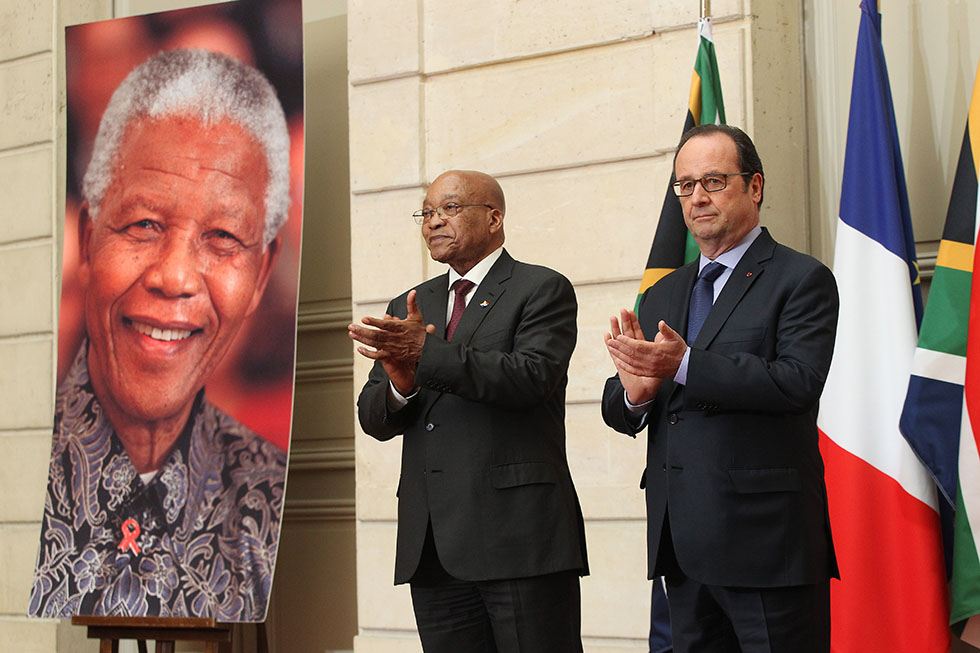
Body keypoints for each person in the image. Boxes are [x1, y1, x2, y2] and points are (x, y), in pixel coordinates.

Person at [29, 49, 291, 621]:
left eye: (222, 236)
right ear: (89, 242)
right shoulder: (18, 474)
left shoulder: (270, 505)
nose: (173, 277)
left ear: (260, 276)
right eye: (144, 224)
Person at [601, 124, 839, 652]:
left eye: (713, 180)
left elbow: (798, 382)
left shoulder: (801, 279)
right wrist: (635, 395)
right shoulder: (664, 291)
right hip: (683, 545)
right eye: (685, 186)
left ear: (754, 186)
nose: (697, 197)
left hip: (766, 547)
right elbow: (623, 403)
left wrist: (685, 365)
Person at [350, 170, 588, 652]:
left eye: (450, 209)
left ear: (494, 218)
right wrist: (401, 385)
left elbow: (530, 378)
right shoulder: (412, 303)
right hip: (434, 546)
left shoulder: (541, 289)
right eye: (427, 212)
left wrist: (427, 355)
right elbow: (374, 418)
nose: (434, 222)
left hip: (519, 539)